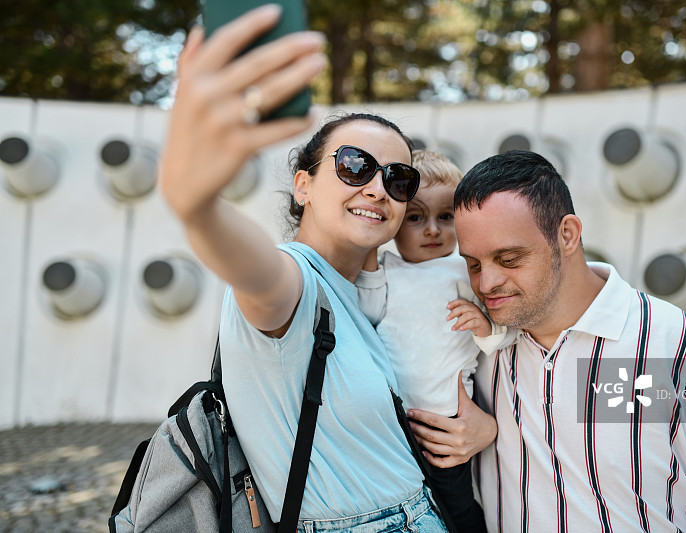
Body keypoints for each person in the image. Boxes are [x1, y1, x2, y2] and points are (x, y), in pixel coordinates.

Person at [159, 7, 496, 531]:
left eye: (398, 179)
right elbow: (256, 272)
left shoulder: (360, 293)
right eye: (355, 166)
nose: (377, 188)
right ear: (304, 185)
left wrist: (477, 432)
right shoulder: (292, 280)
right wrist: (198, 205)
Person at [407, 150, 686, 533]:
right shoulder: (474, 341)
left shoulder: (669, 339)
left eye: (510, 259)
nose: (487, 284)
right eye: (473, 264)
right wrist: (485, 431)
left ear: (567, 234)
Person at [356, 150, 503, 533]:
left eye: (446, 217)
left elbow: (503, 336)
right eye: (417, 218)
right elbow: (367, 310)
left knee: (455, 503)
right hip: (390, 421)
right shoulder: (384, 268)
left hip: (448, 422)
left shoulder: (462, 269)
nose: (433, 230)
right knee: (405, 504)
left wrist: (485, 327)